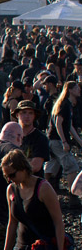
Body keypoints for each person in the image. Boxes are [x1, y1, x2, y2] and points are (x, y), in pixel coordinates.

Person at [44, 81, 82, 209]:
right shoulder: (64, 105)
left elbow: (69, 126)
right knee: (72, 166)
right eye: (76, 87)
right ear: (70, 90)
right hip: (57, 140)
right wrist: (64, 141)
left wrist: (79, 141)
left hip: (54, 139)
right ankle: (73, 197)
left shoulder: (68, 105)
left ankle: (43, 192)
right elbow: (58, 123)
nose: (79, 90)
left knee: (51, 168)